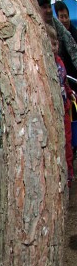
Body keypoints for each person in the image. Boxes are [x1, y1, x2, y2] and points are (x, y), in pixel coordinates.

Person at [46, 23, 74, 185]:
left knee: (67, 141)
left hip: (64, 108)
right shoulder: (42, 63)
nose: (54, 47)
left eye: (55, 43)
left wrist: (70, 93)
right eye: (50, 43)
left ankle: (69, 172)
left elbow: (64, 81)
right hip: (51, 111)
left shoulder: (60, 62)